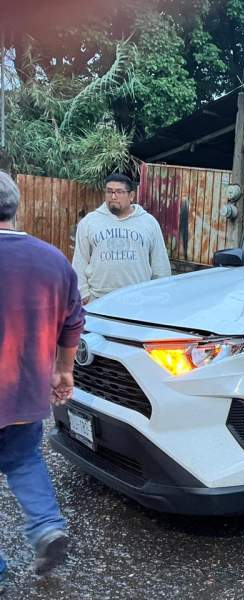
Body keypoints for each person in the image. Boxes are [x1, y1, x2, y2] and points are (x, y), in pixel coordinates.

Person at [0, 170, 85, 582]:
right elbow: (73, 321)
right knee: (23, 459)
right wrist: (63, 371)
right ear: (15, 207)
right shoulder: (54, 260)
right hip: (25, 393)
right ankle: (47, 526)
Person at [72, 173, 171, 304]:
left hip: (139, 301)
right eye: (109, 191)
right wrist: (84, 295)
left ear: (131, 196)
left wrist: (159, 295)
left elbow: (160, 263)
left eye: (119, 192)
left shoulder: (148, 222)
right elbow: (80, 261)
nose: (113, 196)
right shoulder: (89, 222)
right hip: (99, 300)